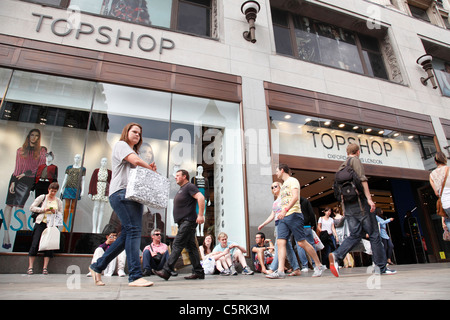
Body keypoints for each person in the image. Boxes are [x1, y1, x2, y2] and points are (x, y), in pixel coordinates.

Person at [89, 123, 156, 287]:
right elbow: (135, 161)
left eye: (139, 134)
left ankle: (97, 266)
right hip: (120, 193)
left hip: (134, 196)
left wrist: (148, 170)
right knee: (133, 231)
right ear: (126, 132)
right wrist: (149, 167)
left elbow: (138, 168)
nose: (137, 135)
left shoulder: (135, 152)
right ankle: (134, 276)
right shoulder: (121, 146)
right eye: (134, 132)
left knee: (127, 234)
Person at [329, 144, 396, 277]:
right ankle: (381, 267)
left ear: (347, 152)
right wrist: (369, 199)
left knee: (355, 234)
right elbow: (362, 179)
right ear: (358, 152)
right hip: (361, 205)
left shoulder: (342, 166)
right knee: (374, 235)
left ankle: (337, 255)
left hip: (348, 207)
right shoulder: (356, 161)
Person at [266, 164, 325, 279]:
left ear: (282, 170)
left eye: (277, 171)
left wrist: (286, 210)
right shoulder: (282, 187)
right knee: (280, 242)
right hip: (283, 217)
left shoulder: (293, 181)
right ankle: (280, 271)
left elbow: (295, 197)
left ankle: (318, 265)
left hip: (294, 214)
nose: (276, 173)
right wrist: (281, 213)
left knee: (301, 242)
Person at [154, 169, 206, 280]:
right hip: (184, 223)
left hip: (188, 222)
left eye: (178, 175)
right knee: (191, 248)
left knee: (177, 244)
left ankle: (166, 270)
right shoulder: (182, 189)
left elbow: (201, 197)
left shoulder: (189, 186)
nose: (175, 177)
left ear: (184, 176)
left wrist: (200, 215)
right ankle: (199, 272)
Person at [3, 128, 47, 249]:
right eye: (32, 135)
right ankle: (6, 235)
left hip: (28, 180)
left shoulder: (42, 151)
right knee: (9, 205)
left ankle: (24, 229)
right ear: (28, 136)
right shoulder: (20, 151)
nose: (34, 138)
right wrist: (13, 181)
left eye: (36, 136)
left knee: (19, 206)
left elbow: (41, 167)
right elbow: (17, 168)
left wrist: (26, 173)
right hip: (16, 179)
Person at [258, 181, 301, 276]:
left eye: (275, 186)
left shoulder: (283, 198)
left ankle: (273, 268)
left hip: (284, 223)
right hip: (277, 224)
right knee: (287, 247)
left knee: (278, 246)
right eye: (272, 187)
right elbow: (273, 215)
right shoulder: (275, 201)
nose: (274, 188)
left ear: (281, 186)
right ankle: (296, 268)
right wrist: (263, 224)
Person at [27, 182, 63, 275]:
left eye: (55, 191)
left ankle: (45, 267)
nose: (53, 193)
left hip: (51, 224)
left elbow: (61, 213)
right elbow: (32, 207)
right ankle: (30, 267)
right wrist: (43, 210)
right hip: (41, 222)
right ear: (48, 189)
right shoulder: (42, 197)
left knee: (49, 245)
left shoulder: (58, 201)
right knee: (35, 243)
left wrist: (55, 212)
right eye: (51, 191)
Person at [430, 151, 450, 235]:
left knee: (448, 220)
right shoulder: (448, 169)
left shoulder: (432, 175)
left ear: (435, 161)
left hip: (445, 204)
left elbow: (437, 193)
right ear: (445, 160)